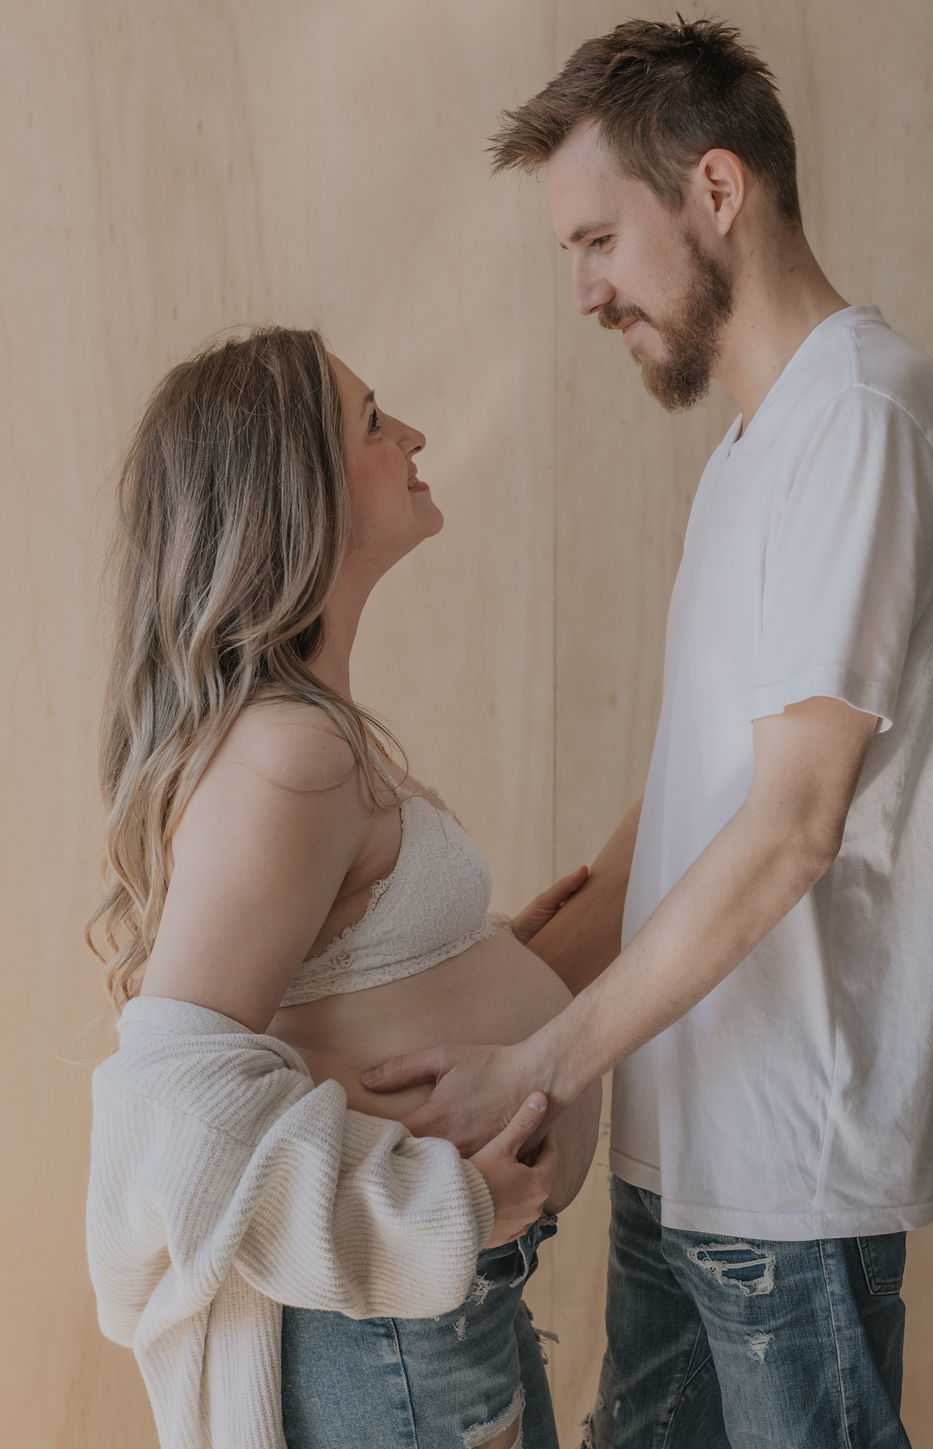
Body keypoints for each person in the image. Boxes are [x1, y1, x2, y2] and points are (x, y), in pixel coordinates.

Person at [360, 18, 933, 1449]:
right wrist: (501, 990)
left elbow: (792, 826)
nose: (583, 292)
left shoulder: (863, 420)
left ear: (716, 189)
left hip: (786, 1188)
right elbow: (691, 807)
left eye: (599, 241)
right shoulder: (755, 448)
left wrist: (540, 1061)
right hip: (683, 1154)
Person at [85, 325, 601, 1449]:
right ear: (299, 494)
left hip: (435, 1310)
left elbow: (332, 979)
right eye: (372, 422)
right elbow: (170, 1111)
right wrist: (447, 1211)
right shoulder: (289, 757)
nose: (410, 434)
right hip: (396, 1333)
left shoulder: (310, 736)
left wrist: (482, 959)